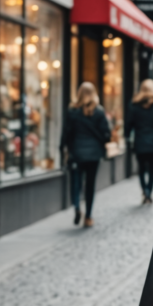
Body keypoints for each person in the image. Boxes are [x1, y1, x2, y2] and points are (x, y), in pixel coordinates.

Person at [60, 82, 110, 228]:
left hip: (76, 153)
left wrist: (63, 148)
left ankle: (76, 207)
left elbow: (66, 134)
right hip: (93, 155)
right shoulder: (99, 112)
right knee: (90, 185)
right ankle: (88, 216)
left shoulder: (72, 111)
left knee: (75, 183)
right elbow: (106, 134)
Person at [126, 79, 153, 204]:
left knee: (141, 168)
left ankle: (144, 190)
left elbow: (129, 124)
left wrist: (128, 136)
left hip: (140, 141)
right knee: (152, 169)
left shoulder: (134, 105)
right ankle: (149, 192)